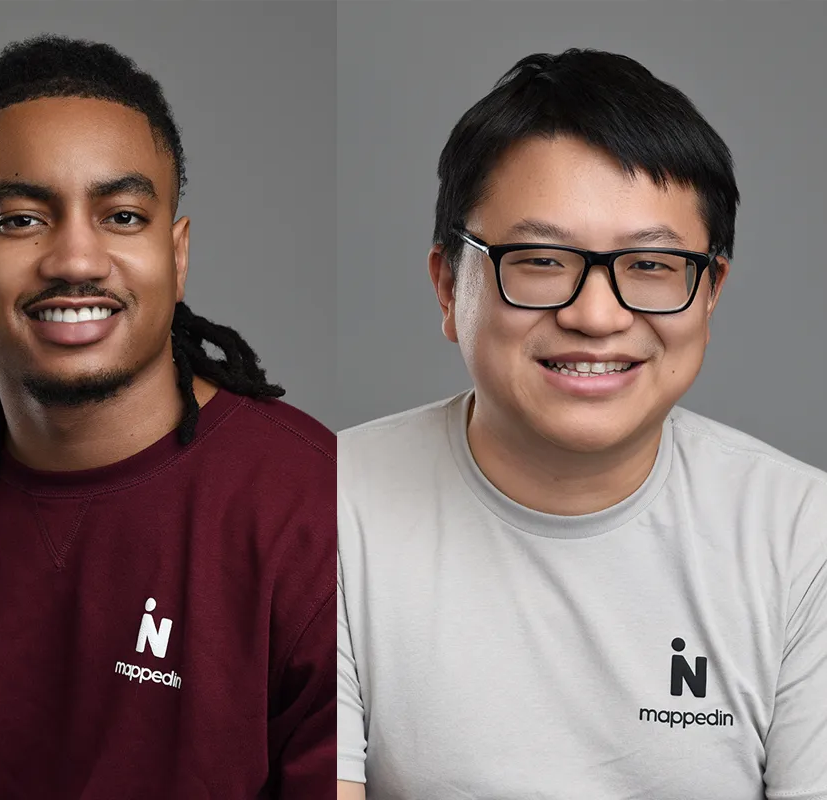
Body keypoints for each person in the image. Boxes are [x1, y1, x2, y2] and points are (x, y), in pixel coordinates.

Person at [0, 35, 335, 799]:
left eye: (122, 216)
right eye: (23, 220)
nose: (76, 259)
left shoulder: (315, 511)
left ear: (177, 252)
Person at [336, 50, 827, 799]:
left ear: (711, 292)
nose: (595, 316)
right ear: (447, 284)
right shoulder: (324, 505)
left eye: (652, 267)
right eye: (540, 260)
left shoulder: (804, 541)